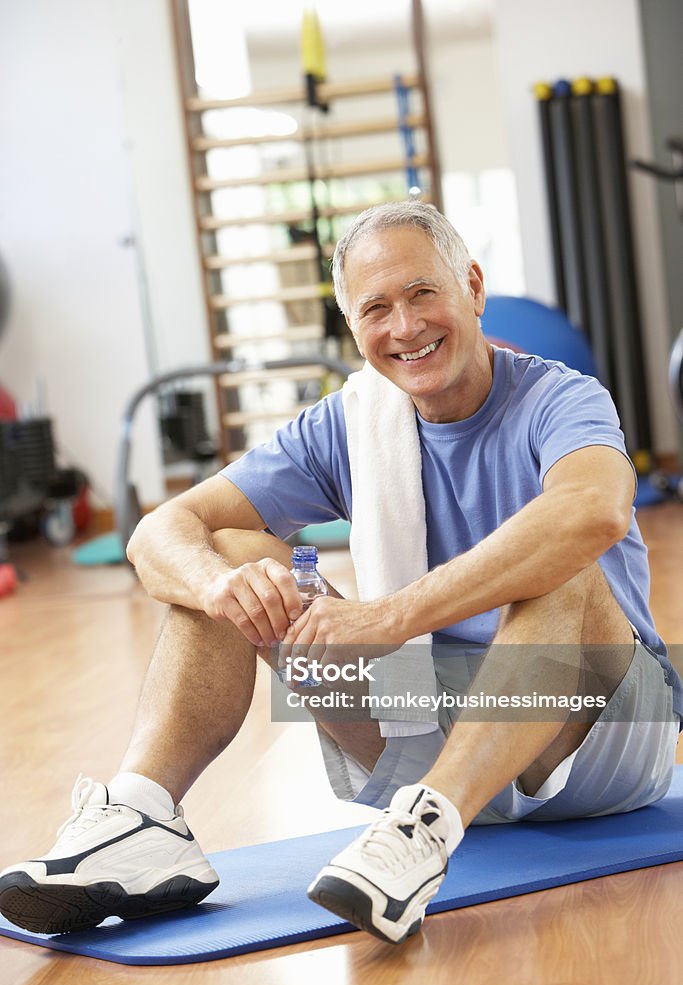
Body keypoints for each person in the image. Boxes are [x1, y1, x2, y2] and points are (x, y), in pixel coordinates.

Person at [1, 202, 680, 945]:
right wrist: (218, 588)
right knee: (230, 550)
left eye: (423, 293)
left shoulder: (559, 397)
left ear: (472, 288)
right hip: (427, 719)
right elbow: (162, 531)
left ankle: (424, 828)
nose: (405, 327)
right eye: (376, 309)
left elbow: (592, 513)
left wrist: (388, 617)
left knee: (564, 565)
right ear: (352, 327)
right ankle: (143, 814)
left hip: (592, 735)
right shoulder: (347, 423)